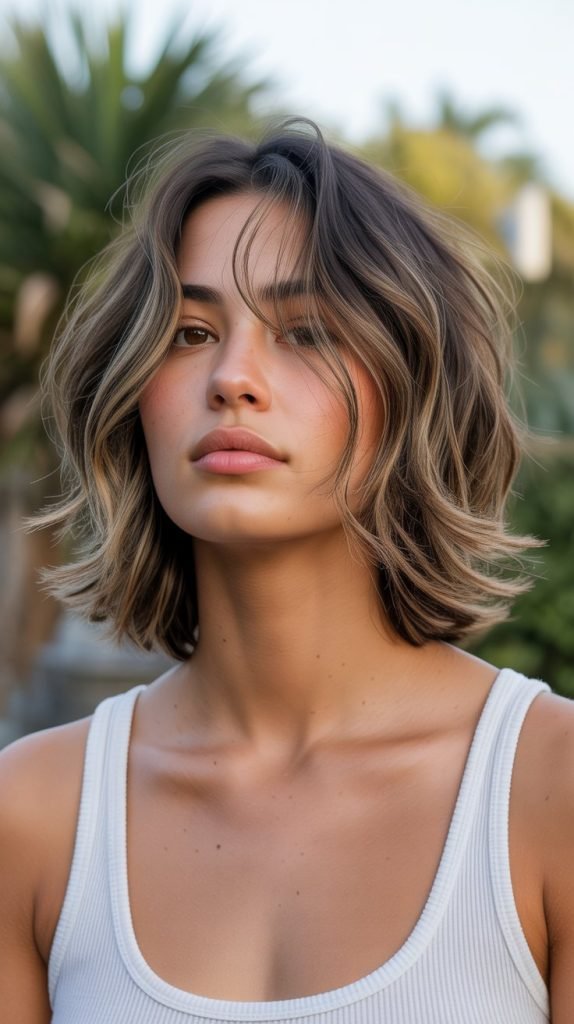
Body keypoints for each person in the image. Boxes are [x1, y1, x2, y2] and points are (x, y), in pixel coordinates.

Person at [0, 119, 572, 1023]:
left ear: (414, 384)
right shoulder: (31, 815)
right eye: (189, 332)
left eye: (306, 331)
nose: (233, 378)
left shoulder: (551, 789)